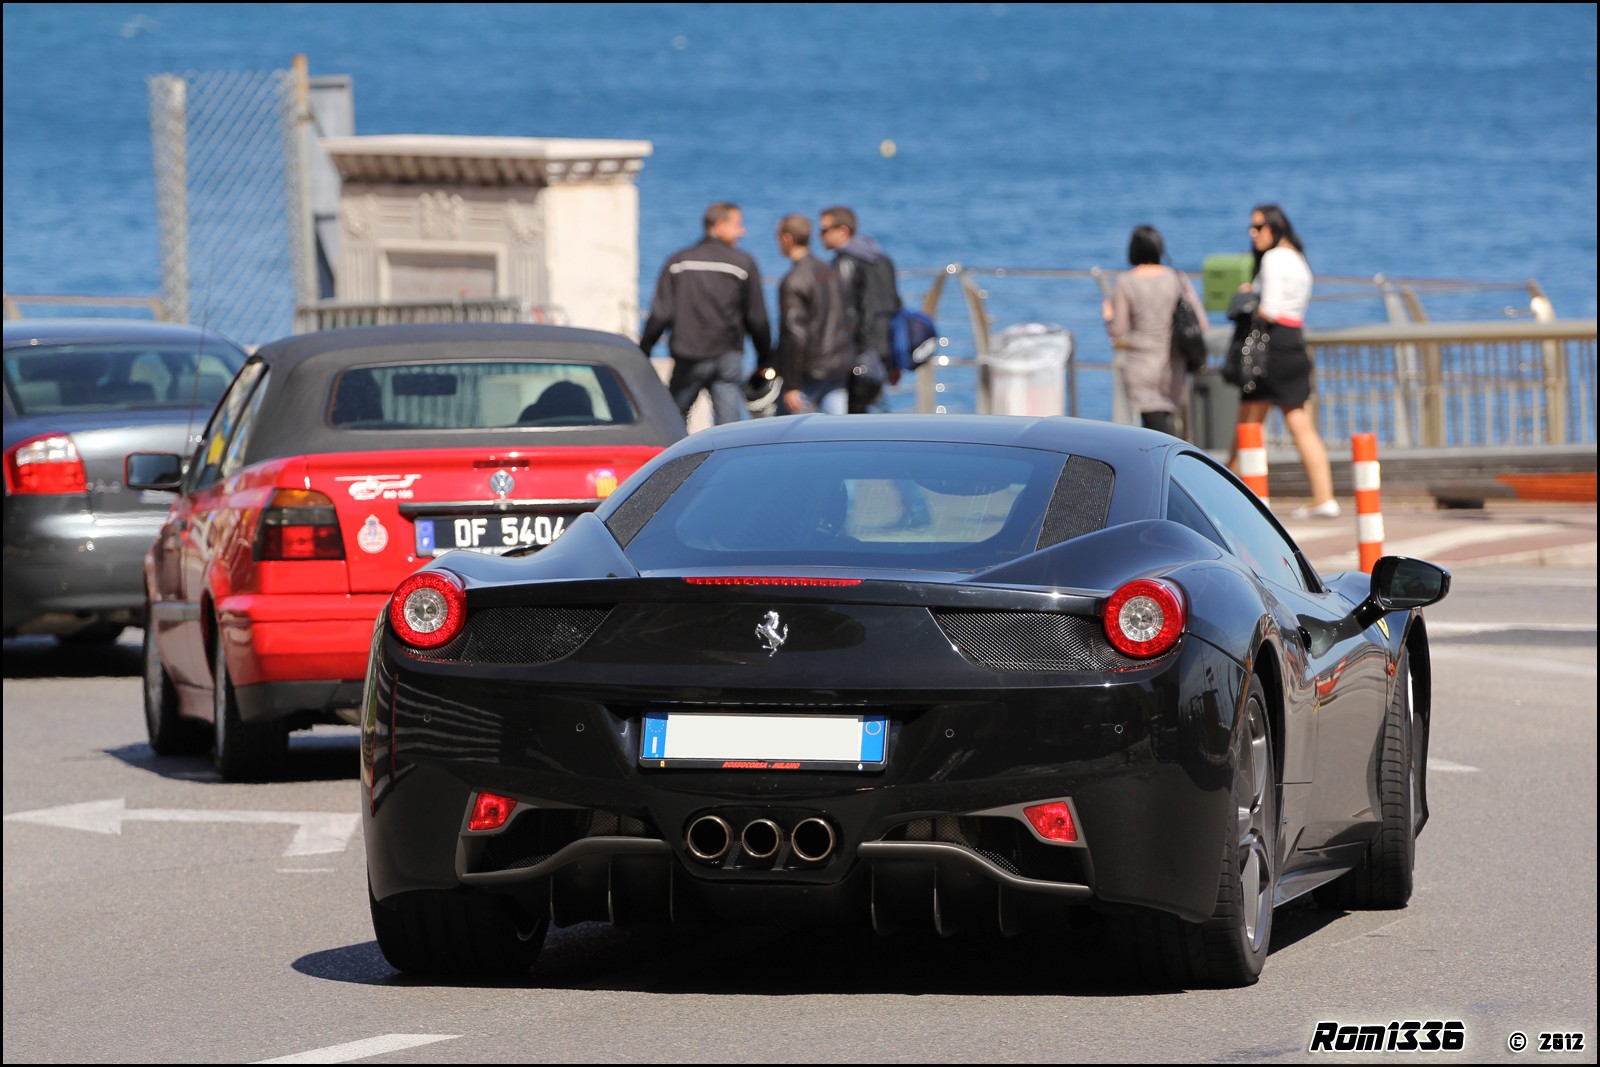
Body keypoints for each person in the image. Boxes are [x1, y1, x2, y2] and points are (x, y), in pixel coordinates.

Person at [1227, 204, 1339, 519]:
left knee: (1247, 425)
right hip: (1294, 342)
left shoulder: (1274, 259)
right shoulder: (1298, 259)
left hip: (1270, 347)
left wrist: (1247, 297)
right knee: (1299, 423)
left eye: (1259, 227)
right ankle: (1324, 497)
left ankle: (1225, 497)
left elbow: (1270, 310)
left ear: (1275, 227)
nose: (1253, 233)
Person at [640, 202, 772, 425]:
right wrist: (765, 360)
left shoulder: (678, 262)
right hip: (727, 357)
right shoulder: (743, 264)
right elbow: (756, 317)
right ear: (720, 225)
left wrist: (645, 349)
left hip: (688, 356)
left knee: (673, 423)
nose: (742, 231)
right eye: (738, 225)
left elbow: (661, 314)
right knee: (729, 429)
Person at [1102, 224, 1208, 437]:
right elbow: (1201, 322)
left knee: (1154, 426)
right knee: (1164, 421)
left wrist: (1108, 315)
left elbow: (1119, 330)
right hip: (1173, 362)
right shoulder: (1176, 278)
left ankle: (1166, 458)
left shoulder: (1126, 281)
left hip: (1140, 362)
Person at [819, 205, 901, 413]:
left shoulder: (844, 262)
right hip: (884, 348)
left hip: (859, 350)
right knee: (878, 411)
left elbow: (843, 312)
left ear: (843, 230)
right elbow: (895, 306)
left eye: (824, 230)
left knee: (854, 415)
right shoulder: (882, 259)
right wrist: (895, 360)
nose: (820, 236)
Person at [773, 214, 853, 414]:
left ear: (787, 238)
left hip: (809, 370)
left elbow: (794, 334)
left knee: (787, 429)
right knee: (836, 429)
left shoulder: (794, 280)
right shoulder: (831, 271)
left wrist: (791, 384)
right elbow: (849, 317)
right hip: (838, 364)